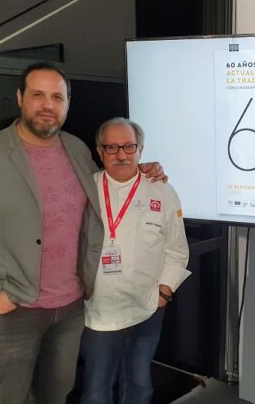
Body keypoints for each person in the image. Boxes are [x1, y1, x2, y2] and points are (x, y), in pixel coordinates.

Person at [0, 62, 165, 404]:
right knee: (7, 399)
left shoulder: (77, 150)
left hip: (70, 308)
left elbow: (106, 188)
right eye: (38, 95)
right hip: (13, 308)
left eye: (57, 97)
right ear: (20, 98)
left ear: (68, 103)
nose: (47, 105)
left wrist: (138, 169)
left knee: (55, 395)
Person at [79, 118, 190, 404]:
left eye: (129, 147)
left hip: (146, 307)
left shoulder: (162, 191)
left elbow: (177, 248)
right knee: (95, 390)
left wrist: (164, 293)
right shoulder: (85, 190)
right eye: (112, 147)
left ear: (140, 149)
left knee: (139, 384)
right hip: (99, 311)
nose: (121, 155)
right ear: (99, 151)